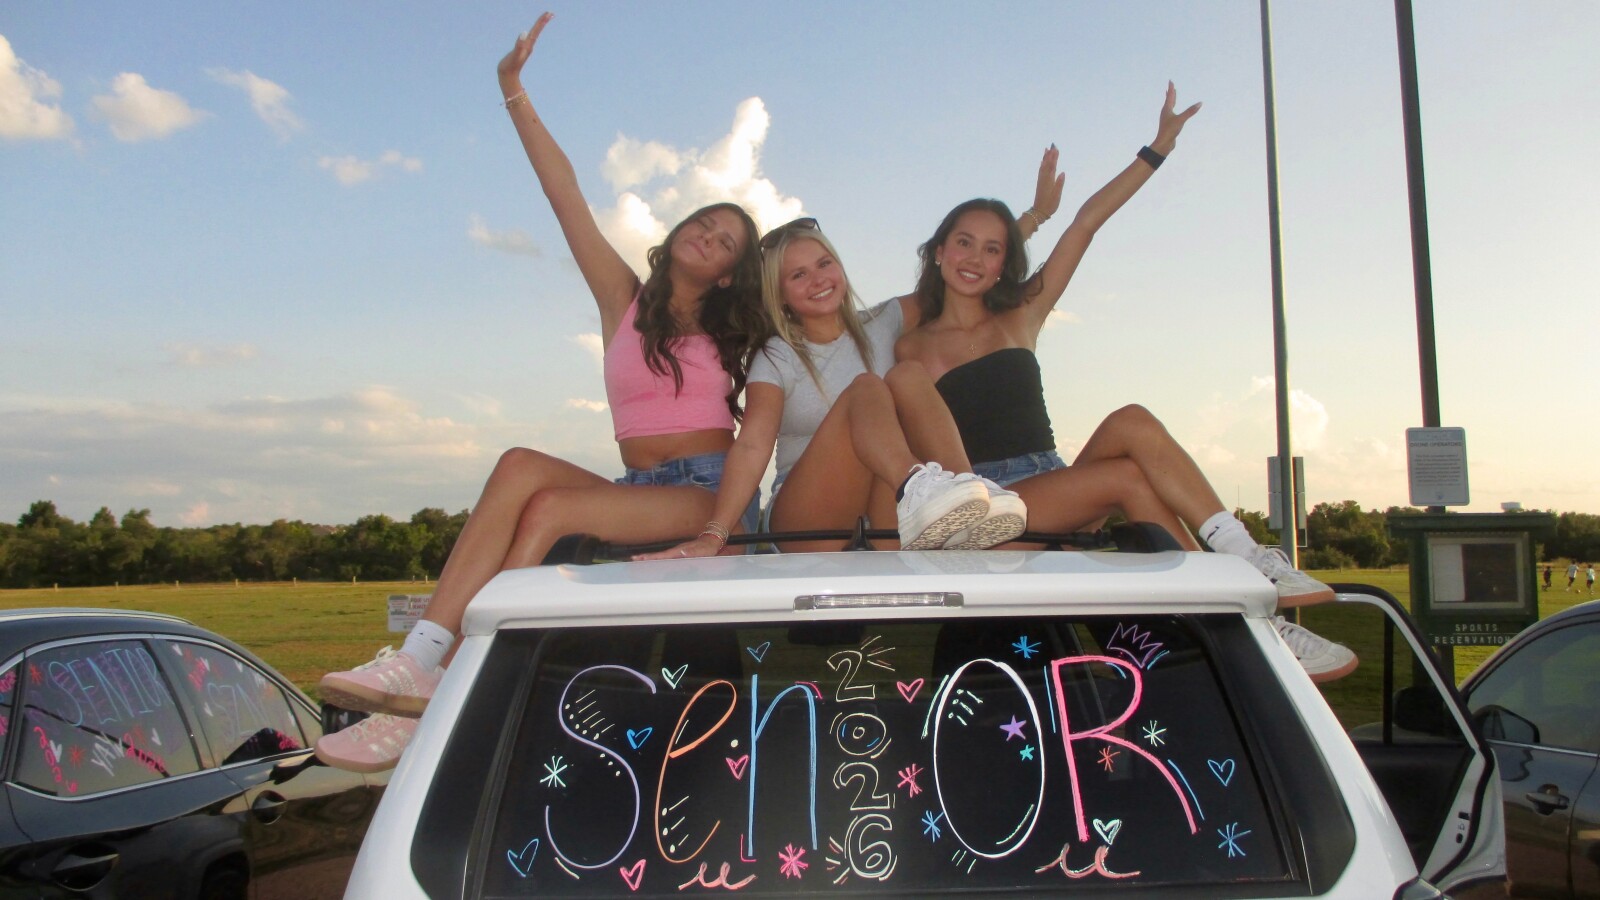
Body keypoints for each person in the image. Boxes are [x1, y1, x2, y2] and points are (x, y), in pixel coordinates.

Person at [314, 13, 770, 772]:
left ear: (728, 274)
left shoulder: (733, 332)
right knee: (520, 465)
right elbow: (566, 198)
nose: (709, 236)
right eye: (705, 222)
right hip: (637, 490)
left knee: (552, 508)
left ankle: (453, 679)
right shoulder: (624, 300)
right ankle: (420, 661)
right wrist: (512, 89)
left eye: (726, 241)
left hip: (707, 495)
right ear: (679, 231)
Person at [892, 84, 1356, 682]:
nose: (975, 258)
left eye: (992, 248)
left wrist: (1156, 150)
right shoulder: (911, 347)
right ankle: (1252, 626)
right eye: (963, 243)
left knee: (1132, 421)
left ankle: (1247, 560)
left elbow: (1086, 222)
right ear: (938, 251)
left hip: (1057, 486)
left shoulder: (1020, 315)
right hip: (993, 510)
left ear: (1006, 262)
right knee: (1127, 478)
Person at [639, 219, 1032, 561]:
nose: (818, 280)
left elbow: (961, 267)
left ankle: (969, 496)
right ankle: (918, 485)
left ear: (840, 266)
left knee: (908, 375)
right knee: (867, 389)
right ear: (780, 294)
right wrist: (715, 534)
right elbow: (753, 445)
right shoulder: (777, 355)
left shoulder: (885, 320)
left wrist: (1031, 219)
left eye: (824, 264)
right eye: (798, 275)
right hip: (809, 520)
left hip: (884, 515)